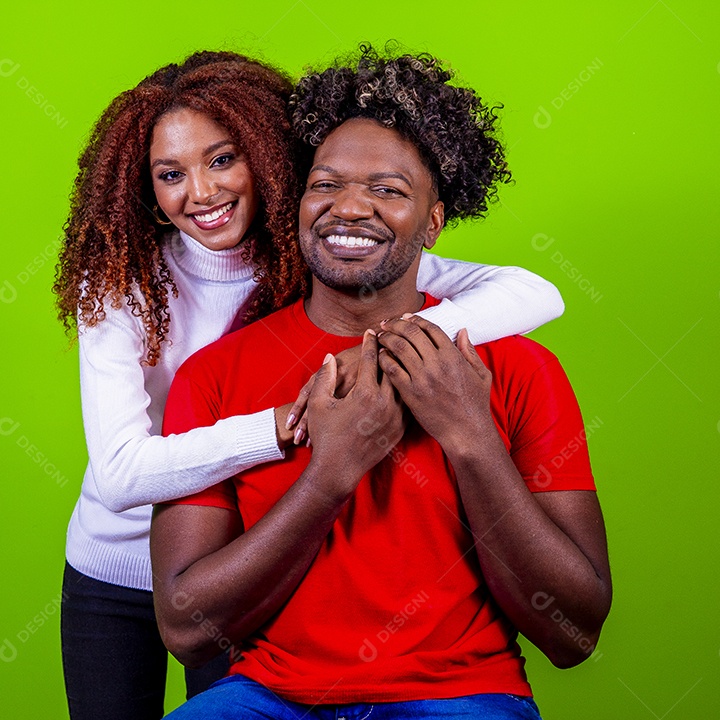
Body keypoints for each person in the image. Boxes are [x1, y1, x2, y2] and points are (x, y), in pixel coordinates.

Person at [53, 50, 567, 720]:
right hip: (116, 560)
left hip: (239, 549)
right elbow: (121, 475)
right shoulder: (120, 281)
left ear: (268, 156)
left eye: (222, 160)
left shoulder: (320, 251)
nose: (201, 192)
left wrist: (386, 349)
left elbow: (533, 292)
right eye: (170, 174)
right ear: (144, 187)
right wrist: (288, 424)